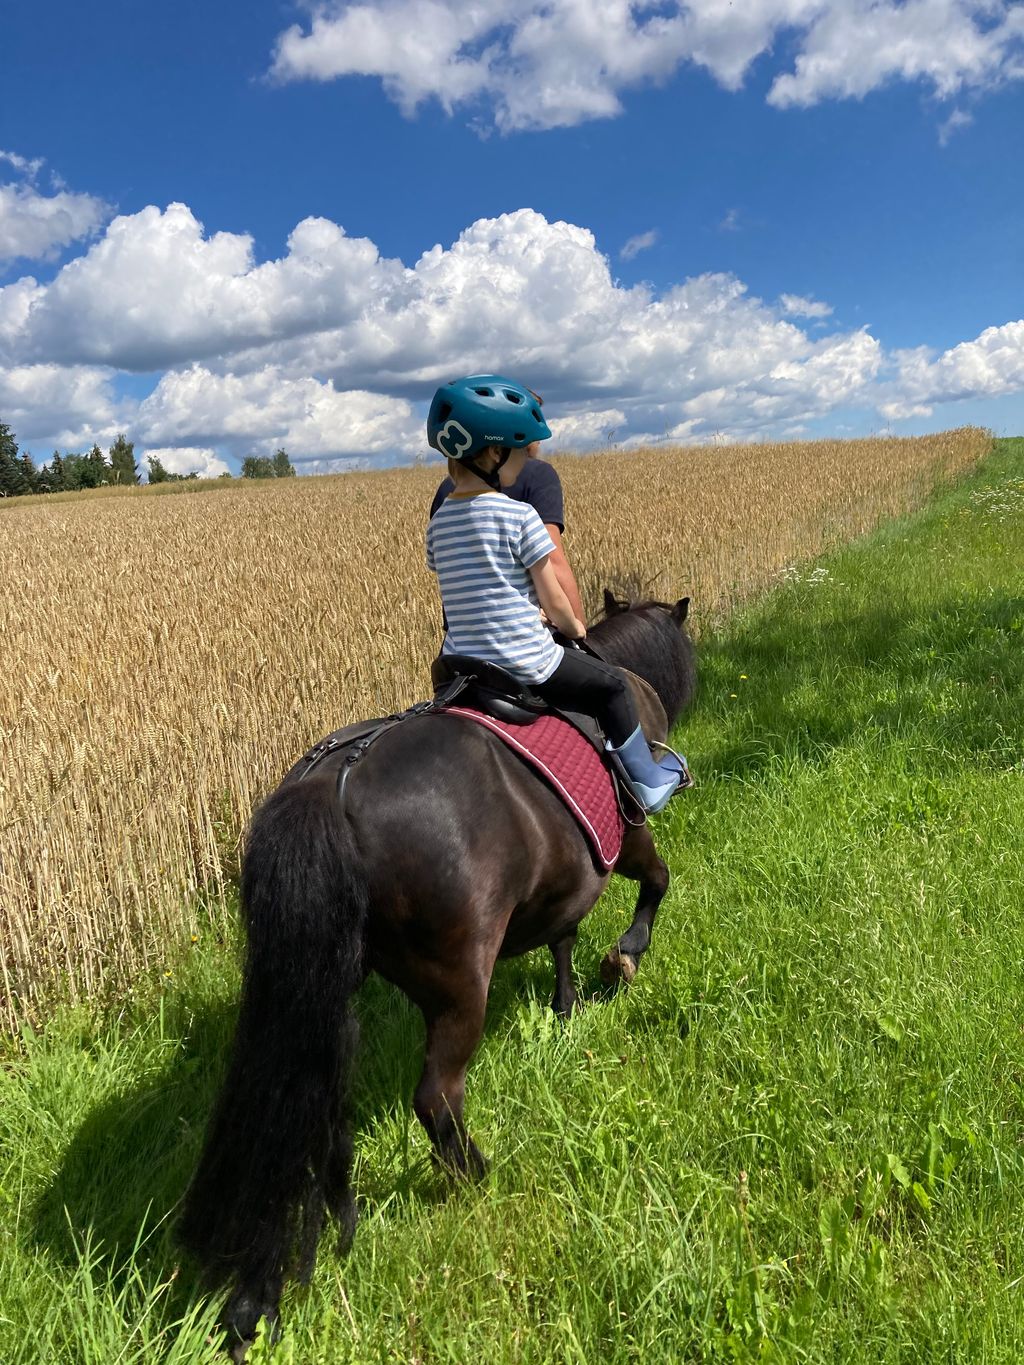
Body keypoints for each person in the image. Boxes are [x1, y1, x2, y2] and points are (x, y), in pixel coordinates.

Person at [425, 373, 687, 814]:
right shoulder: (520, 515)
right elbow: (553, 600)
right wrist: (574, 626)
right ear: (493, 453)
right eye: (517, 452)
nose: (523, 464)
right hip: (523, 661)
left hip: (457, 668)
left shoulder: (438, 525)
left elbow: (454, 583)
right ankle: (647, 781)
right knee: (611, 688)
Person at [429, 389, 584, 624]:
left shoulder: (445, 493)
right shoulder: (538, 475)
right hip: (528, 640)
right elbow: (553, 560)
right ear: (499, 448)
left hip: (460, 643)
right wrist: (580, 631)